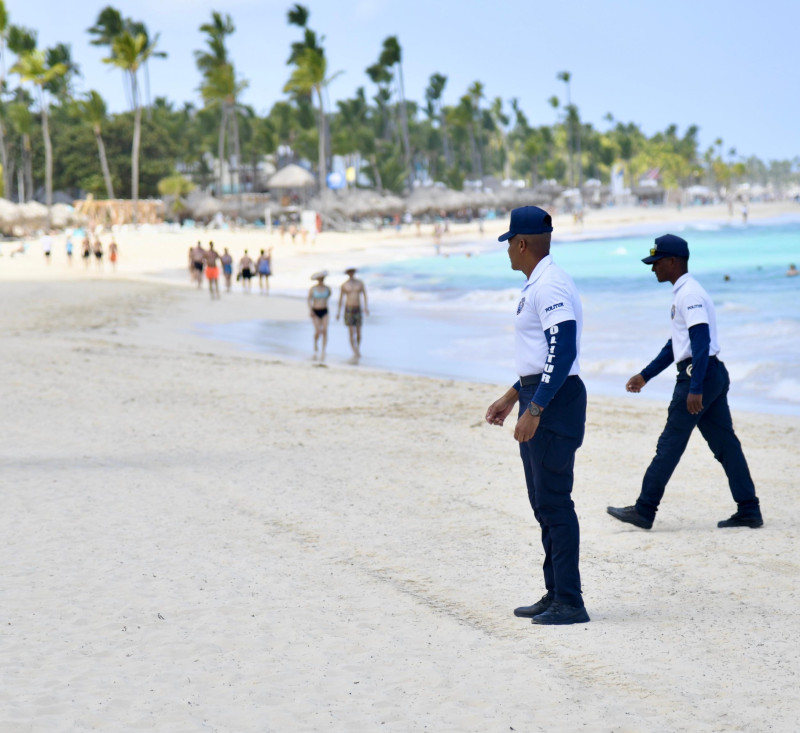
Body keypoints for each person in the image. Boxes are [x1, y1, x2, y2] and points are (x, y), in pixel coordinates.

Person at [607, 234, 763, 530]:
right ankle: (749, 509)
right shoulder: (684, 294)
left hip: (699, 374)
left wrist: (695, 387)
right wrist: (646, 375)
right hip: (709, 373)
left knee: (670, 444)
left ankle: (644, 509)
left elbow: (700, 341)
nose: (653, 268)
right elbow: (676, 345)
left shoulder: (689, 294)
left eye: (656, 262)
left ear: (673, 261)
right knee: (726, 445)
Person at [484, 206, 589, 626]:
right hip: (539, 392)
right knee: (542, 503)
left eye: (509, 241)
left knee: (555, 502)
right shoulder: (538, 283)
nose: (507, 249)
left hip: (555, 401)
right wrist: (514, 396)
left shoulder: (551, 285)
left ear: (522, 243)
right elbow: (540, 356)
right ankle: (555, 592)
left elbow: (562, 352)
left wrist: (536, 407)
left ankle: (570, 601)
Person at [336, 267, 369, 359]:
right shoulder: (344, 285)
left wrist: (366, 307)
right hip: (348, 309)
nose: (351, 274)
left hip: (358, 308)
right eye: (349, 272)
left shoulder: (360, 283)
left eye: (352, 272)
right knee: (351, 332)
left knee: (359, 332)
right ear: (347, 273)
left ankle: (358, 348)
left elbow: (365, 295)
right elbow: (340, 299)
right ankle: (354, 350)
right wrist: (338, 312)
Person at [308, 271, 331, 360]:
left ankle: (324, 349)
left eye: (322, 279)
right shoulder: (313, 289)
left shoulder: (327, 288)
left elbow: (328, 297)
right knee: (318, 331)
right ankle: (315, 343)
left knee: (325, 330)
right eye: (320, 279)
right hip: (315, 311)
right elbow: (309, 300)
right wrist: (311, 310)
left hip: (325, 310)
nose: (321, 280)